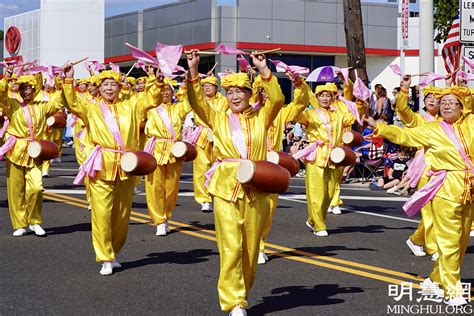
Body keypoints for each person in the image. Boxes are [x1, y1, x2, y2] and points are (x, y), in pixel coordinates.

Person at [186, 50, 290, 315]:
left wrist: (264, 69)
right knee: (230, 245)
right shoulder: (217, 117)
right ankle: (233, 301)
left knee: (251, 247)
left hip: (257, 186)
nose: (234, 96)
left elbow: (277, 98)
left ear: (249, 94)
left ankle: (242, 292)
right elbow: (197, 102)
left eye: (240, 91)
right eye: (229, 91)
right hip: (225, 187)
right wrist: (194, 72)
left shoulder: (261, 117)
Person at [365, 81, 473, 306]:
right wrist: (381, 127)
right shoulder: (431, 128)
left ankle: (435, 279)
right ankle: (452, 290)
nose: (446, 106)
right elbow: (405, 136)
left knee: (461, 242)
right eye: (443, 102)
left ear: (463, 106)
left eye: (452, 102)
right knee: (449, 241)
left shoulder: (472, 123)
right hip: (444, 189)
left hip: (469, 190)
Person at [62, 65, 163, 276]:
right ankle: (105, 256)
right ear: (98, 88)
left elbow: (152, 99)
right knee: (101, 213)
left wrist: (157, 81)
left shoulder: (132, 104)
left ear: (120, 87)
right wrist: (68, 80)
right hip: (102, 164)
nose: (109, 88)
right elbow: (71, 103)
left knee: (122, 213)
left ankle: (114, 251)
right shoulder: (91, 107)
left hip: (127, 165)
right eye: (105, 84)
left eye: (113, 84)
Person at [292, 81, 364, 236]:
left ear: (333, 97)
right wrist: (299, 98)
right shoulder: (310, 114)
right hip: (316, 155)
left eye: (328, 95)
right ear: (317, 98)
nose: (325, 98)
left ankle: (313, 220)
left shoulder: (338, 114)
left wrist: (360, 102)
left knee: (330, 192)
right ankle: (319, 225)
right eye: (322, 95)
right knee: (316, 192)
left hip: (335, 156)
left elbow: (353, 117)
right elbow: (297, 115)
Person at [0, 69, 64, 237]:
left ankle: (35, 221)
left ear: (35, 89)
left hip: (36, 151)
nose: (25, 91)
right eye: (22, 87)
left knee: (36, 187)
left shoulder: (43, 106)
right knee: (16, 189)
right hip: (15, 150)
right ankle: (20, 224)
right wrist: (6, 78)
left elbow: (60, 101)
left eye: (29, 87)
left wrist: (62, 80)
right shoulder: (12, 104)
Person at [393, 83, 443, 260]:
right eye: (428, 97)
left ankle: (415, 240)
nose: (431, 99)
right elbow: (403, 110)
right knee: (429, 210)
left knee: (440, 211)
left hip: (445, 171)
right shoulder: (419, 119)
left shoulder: (446, 121)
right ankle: (433, 247)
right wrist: (404, 91)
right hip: (426, 168)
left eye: (436, 98)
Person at [144, 78, 191, 236]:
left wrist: (187, 84)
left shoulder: (179, 108)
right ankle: (159, 220)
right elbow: (144, 97)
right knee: (154, 187)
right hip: (155, 149)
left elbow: (191, 101)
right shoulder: (150, 108)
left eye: (168, 89)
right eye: (162, 89)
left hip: (174, 151)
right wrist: (153, 80)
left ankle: (167, 215)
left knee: (171, 188)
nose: (165, 92)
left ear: (173, 92)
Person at [190, 75, 228, 212]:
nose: (206, 87)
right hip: (201, 135)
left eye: (210, 85)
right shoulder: (198, 100)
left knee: (218, 166)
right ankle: (204, 199)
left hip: (218, 135)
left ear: (216, 88)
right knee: (201, 167)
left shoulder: (223, 100)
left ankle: (217, 195)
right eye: (204, 85)